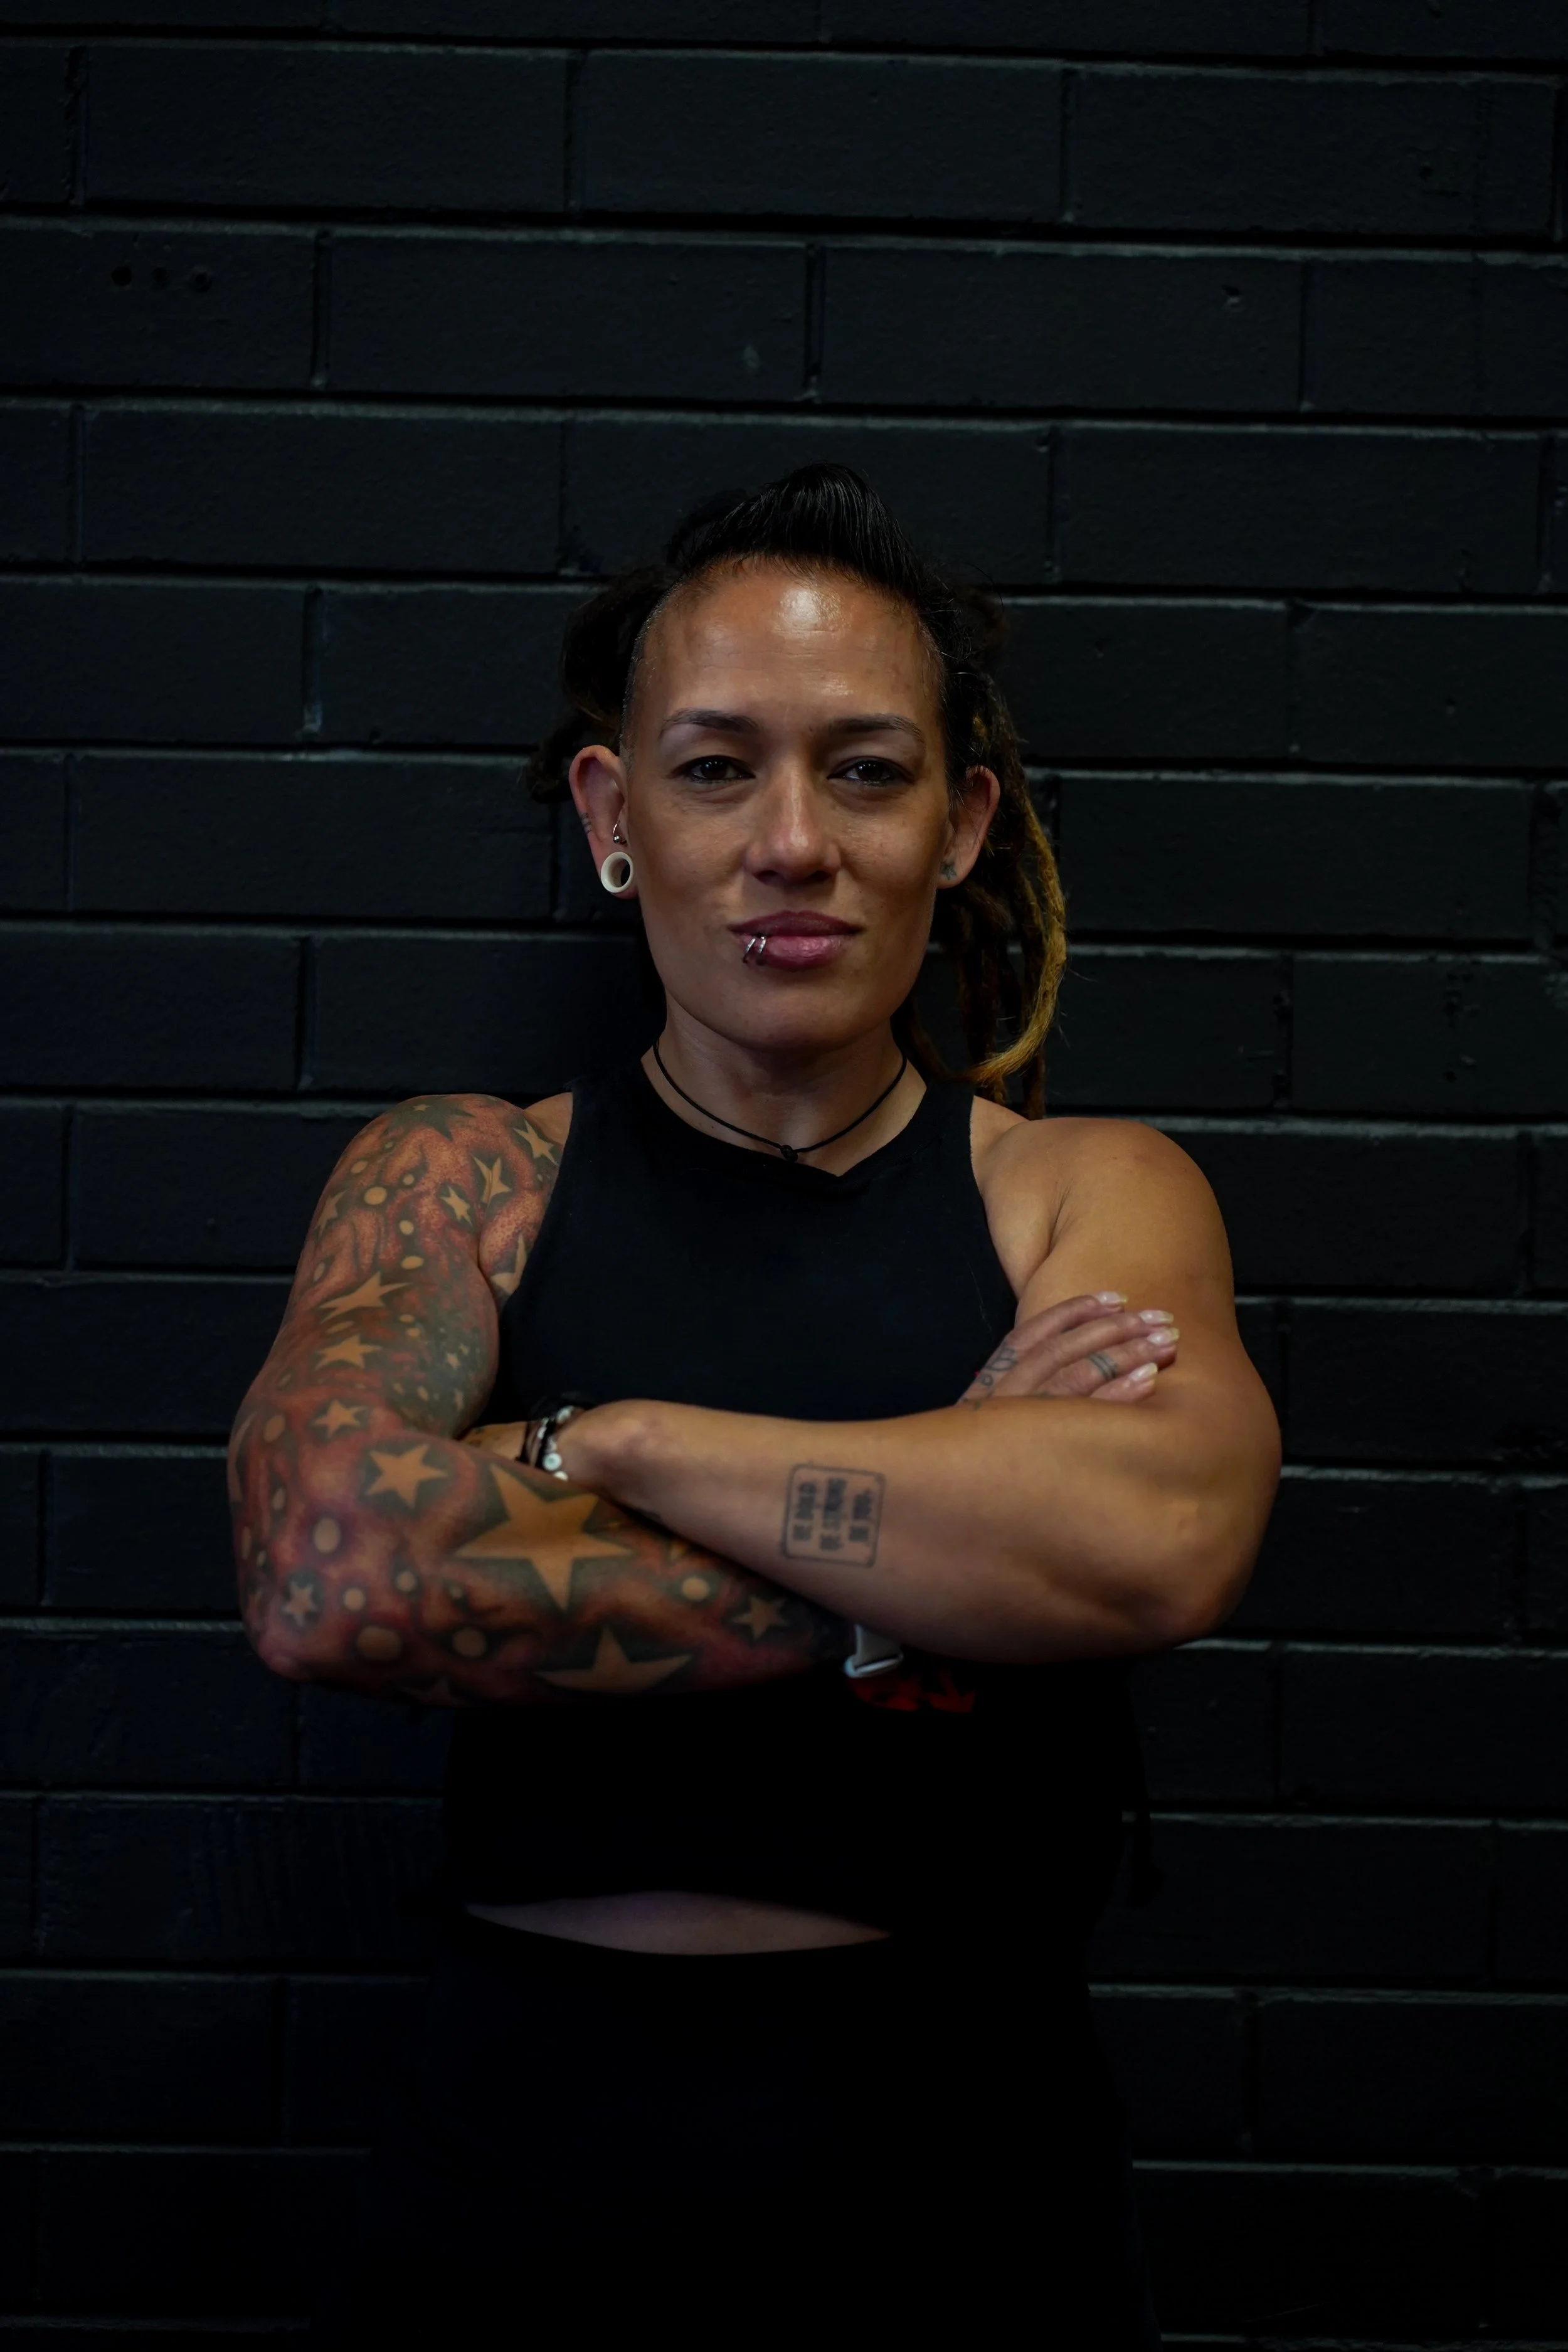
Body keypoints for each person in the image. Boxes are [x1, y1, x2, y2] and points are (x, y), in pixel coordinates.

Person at [231, 466, 1279, 2346]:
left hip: (965, 2172)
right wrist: (942, 1568)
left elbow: (1154, 1543)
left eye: (865, 772)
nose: (792, 842)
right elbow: (335, 1572)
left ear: (960, 824)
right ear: (611, 814)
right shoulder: (467, 1179)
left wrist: (607, 1444)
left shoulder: (1082, 1192)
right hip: (522, 2170)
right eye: (715, 769)